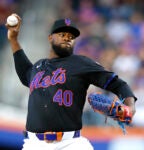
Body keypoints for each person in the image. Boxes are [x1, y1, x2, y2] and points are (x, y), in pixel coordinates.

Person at [6, 13, 136, 150]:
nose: (67, 38)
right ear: (50, 38)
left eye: (71, 37)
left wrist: (130, 107)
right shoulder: (38, 67)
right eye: (62, 34)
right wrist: (13, 40)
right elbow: (25, 73)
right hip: (34, 144)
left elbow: (118, 84)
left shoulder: (81, 63)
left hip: (70, 144)